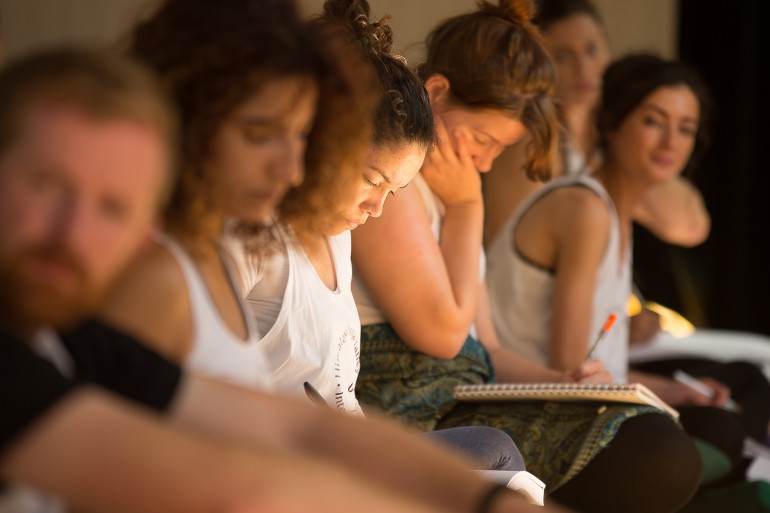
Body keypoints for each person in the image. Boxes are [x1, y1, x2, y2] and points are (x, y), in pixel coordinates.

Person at [0, 46, 568, 513]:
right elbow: (242, 486)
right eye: (46, 184)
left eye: (114, 208)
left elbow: (301, 431)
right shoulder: (160, 286)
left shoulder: (72, 337)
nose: (71, 232)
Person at [350, 2, 701, 512]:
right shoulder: (392, 188)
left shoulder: (452, 191)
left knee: (656, 439)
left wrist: (564, 384)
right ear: (437, 93)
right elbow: (447, 338)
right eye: (482, 140)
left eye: (499, 149)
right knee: (653, 454)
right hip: (408, 404)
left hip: (459, 396)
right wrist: (469, 207)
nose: (486, 162)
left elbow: (485, 345)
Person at [225, 0, 525, 472]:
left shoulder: (337, 237)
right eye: (370, 179)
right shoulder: (252, 241)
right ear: (322, 141)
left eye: (395, 191)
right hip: (290, 467)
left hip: (348, 452)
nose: (377, 207)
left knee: (494, 449)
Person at [486, 53, 767, 504]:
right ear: (611, 123)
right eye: (654, 121)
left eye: (686, 128)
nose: (670, 141)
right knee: (679, 451)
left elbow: (601, 368)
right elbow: (571, 372)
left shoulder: (616, 215)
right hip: (529, 409)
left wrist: (673, 390)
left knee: (731, 401)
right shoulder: (585, 209)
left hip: (574, 396)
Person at [482, 0, 710, 248]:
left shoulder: (614, 137)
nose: (584, 68)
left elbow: (690, 226)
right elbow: (510, 251)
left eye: (592, 50)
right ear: (536, 65)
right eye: (563, 56)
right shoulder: (529, 140)